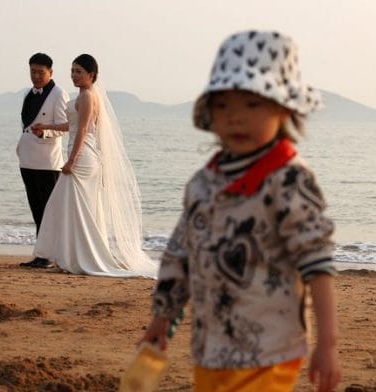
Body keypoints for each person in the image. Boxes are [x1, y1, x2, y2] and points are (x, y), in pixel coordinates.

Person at [139, 30, 341, 391]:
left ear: (283, 109)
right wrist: (162, 318)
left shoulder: (288, 180)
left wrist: (327, 344)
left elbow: (317, 263)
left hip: (269, 350)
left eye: (252, 104)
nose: (235, 118)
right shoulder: (203, 183)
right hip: (210, 349)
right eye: (223, 105)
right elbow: (179, 256)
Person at [31, 54, 157, 278]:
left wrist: (71, 160)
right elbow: (71, 124)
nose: (74, 75)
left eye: (79, 71)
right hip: (80, 154)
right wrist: (47, 126)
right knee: (71, 207)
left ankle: (79, 257)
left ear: (92, 75)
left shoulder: (88, 96)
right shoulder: (81, 96)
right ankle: (71, 256)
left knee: (70, 206)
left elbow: (82, 130)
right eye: (72, 71)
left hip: (84, 157)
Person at [17, 53, 70, 268]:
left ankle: (50, 255)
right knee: (36, 209)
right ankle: (41, 253)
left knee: (49, 211)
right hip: (27, 160)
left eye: (41, 72)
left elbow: (64, 126)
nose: (36, 76)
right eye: (33, 72)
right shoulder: (29, 94)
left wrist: (45, 133)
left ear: (51, 72)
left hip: (48, 162)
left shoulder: (58, 94)